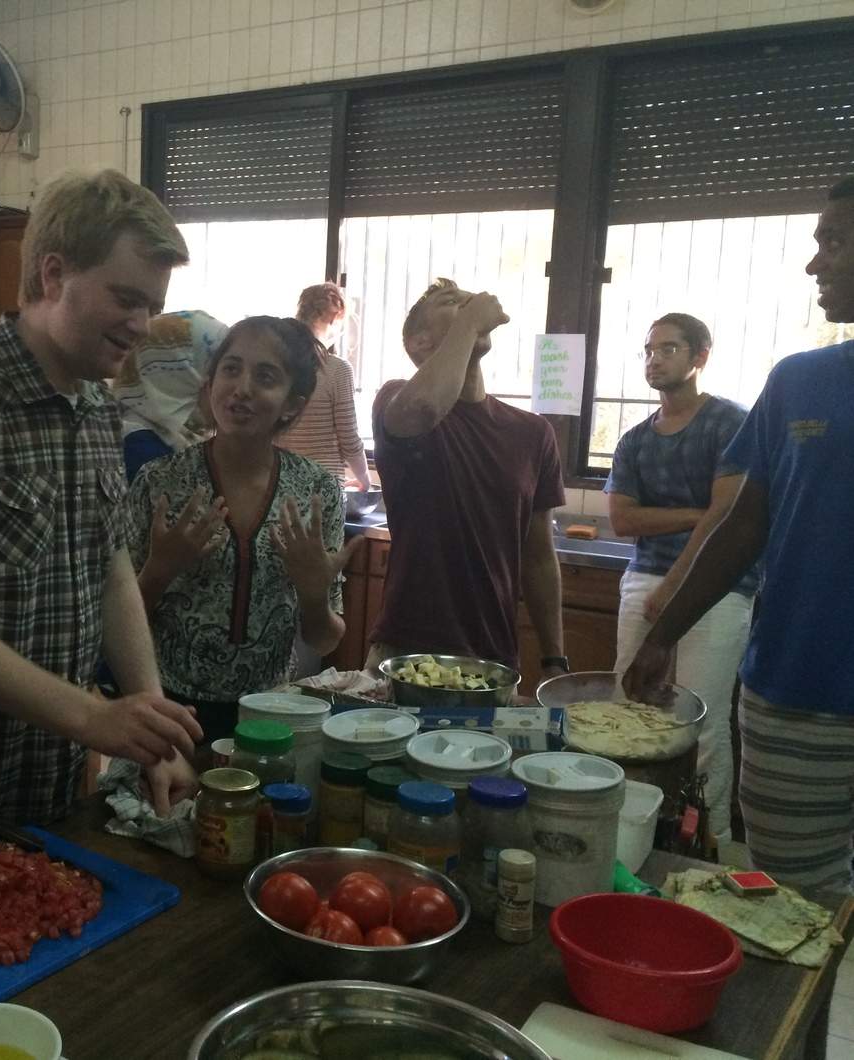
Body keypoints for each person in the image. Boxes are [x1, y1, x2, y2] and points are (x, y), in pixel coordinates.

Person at [0, 170, 204, 876]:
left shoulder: (96, 408)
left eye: (152, 305)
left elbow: (110, 570)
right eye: (126, 298)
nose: (141, 325)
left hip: (52, 784)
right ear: (53, 275)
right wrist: (92, 718)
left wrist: (148, 719)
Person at [625, 176, 854, 895]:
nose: (815, 263)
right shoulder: (799, 383)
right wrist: (663, 634)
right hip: (800, 691)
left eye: (835, 242)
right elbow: (741, 523)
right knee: (793, 902)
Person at [126, 316, 362, 744]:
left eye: (266, 376)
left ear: (293, 402)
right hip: (170, 711)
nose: (242, 388)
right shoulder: (160, 482)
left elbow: (325, 639)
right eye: (231, 369)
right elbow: (115, 625)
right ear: (210, 381)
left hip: (271, 717)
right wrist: (160, 570)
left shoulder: (316, 492)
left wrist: (313, 593)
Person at [364, 279, 568, 681]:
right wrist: (471, 321)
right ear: (419, 344)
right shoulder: (396, 400)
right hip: (405, 652)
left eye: (467, 301)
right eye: (450, 303)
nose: (467, 304)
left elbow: (540, 555)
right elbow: (424, 407)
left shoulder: (532, 433)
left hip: (494, 658)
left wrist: (553, 658)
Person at [606, 313, 757, 847]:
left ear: (700, 357)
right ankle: (625, 827)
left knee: (704, 719)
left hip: (719, 589)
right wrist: (698, 512)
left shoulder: (730, 423)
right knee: (629, 706)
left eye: (669, 348)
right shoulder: (633, 440)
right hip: (641, 579)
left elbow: (731, 515)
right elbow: (623, 520)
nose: (655, 358)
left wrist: (675, 582)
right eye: (649, 349)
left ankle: (709, 842)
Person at [112, 309, 228, 480]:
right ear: (180, 380)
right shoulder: (144, 452)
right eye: (219, 374)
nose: (231, 389)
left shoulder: (181, 438)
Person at [277, 283, 372, 490]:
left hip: (279, 484)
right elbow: (349, 439)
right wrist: (364, 478)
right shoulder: (337, 369)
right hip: (323, 488)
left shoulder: (278, 364)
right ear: (334, 317)